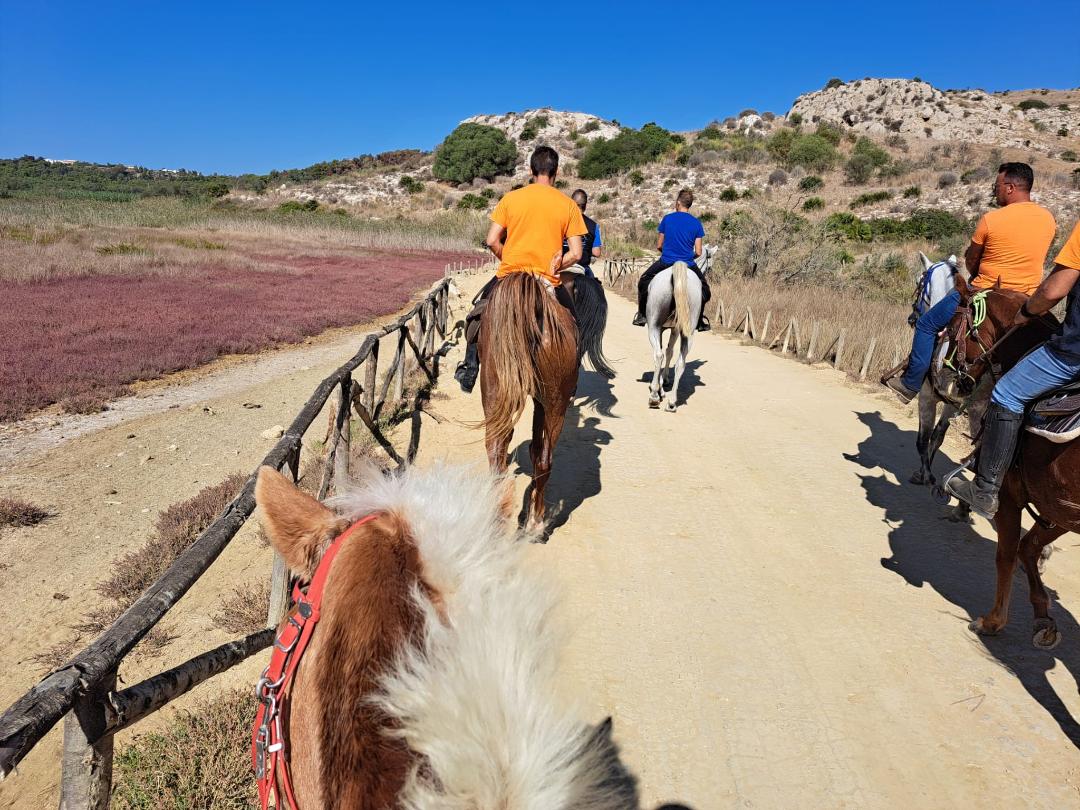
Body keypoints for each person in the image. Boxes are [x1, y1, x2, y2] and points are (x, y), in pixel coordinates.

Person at [884, 162, 1056, 403]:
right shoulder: (1048, 219)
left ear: (1009, 187)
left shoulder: (991, 219)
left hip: (985, 292)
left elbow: (972, 258)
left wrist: (975, 277)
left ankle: (909, 383)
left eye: (997, 186)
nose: (994, 191)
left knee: (926, 324)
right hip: (1028, 299)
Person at [948, 219, 1080, 519]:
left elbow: (1054, 289)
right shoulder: (1046, 219)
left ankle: (984, 490)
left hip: (1074, 352)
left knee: (1007, 392)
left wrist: (1026, 311)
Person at [454, 146, 587, 393]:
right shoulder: (568, 205)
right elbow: (577, 253)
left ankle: (470, 368)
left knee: (478, 313)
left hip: (510, 275)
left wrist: (510, 259)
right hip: (546, 278)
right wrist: (557, 265)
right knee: (574, 324)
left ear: (531, 170)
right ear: (556, 172)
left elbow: (492, 240)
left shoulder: (510, 199)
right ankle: (571, 375)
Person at [632, 188, 711, 331]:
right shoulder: (696, 223)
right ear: (689, 204)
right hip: (688, 263)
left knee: (643, 281)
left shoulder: (667, 219)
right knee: (705, 290)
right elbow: (699, 252)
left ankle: (642, 315)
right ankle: (699, 321)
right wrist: (687, 256)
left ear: (678, 203)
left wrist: (668, 252)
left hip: (666, 261)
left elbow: (659, 245)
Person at [563, 189, 602, 278]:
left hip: (563, 265)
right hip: (583, 267)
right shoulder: (593, 226)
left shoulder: (561, 221)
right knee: (597, 288)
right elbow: (596, 252)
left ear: (571, 203)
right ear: (585, 206)